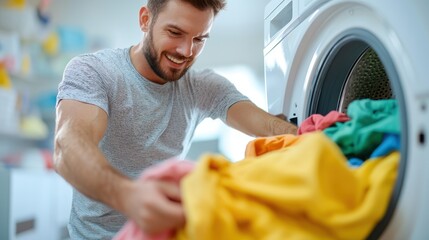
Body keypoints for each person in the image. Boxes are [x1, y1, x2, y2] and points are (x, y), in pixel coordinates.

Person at [53, 0, 298, 239]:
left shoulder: (203, 86)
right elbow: (69, 145)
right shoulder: (96, 72)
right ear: (145, 20)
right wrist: (128, 195)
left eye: (199, 39)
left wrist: (309, 135)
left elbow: (267, 126)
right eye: (175, 32)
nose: (186, 51)